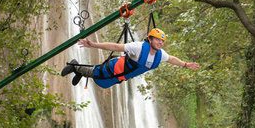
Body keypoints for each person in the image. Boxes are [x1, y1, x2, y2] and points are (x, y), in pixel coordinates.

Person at [61, 28, 199, 88]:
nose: (160, 43)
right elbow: (116, 47)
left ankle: (79, 71)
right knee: (97, 74)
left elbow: (172, 59)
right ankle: (75, 66)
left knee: (102, 83)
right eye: (157, 40)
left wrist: (186, 65)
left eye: (162, 41)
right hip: (114, 67)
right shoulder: (138, 47)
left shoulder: (160, 54)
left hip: (121, 76)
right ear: (150, 39)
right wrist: (93, 45)